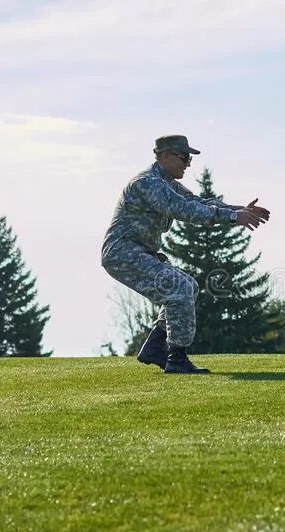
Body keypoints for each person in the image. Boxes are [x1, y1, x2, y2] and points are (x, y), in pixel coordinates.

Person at [101, 135, 270, 374]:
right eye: (185, 157)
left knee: (186, 287)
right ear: (166, 156)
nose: (188, 163)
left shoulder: (166, 182)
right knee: (179, 288)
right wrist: (233, 217)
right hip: (122, 253)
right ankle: (177, 359)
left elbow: (197, 201)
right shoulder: (147, 183)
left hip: (138, 251)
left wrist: (240, 210)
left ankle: (155, 347)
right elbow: (185, 210)